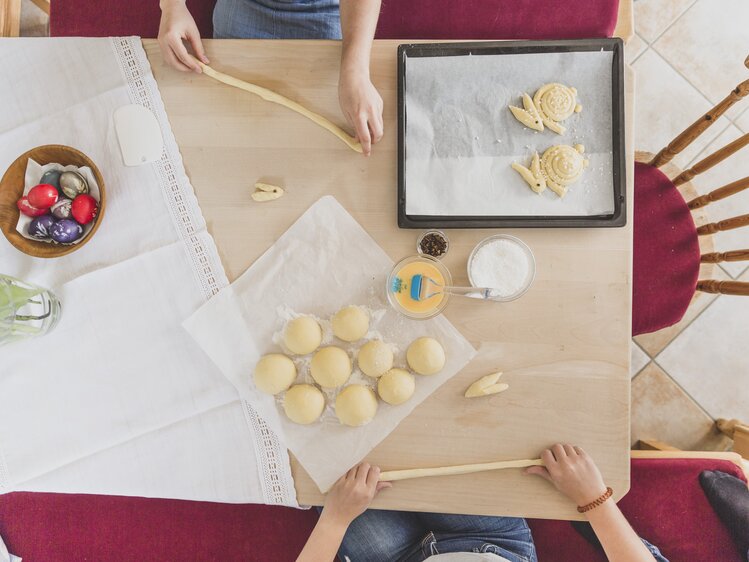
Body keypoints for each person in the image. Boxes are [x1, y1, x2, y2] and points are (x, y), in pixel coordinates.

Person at [297, 443, 668, 562]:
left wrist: (335, 520)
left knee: (322, 464)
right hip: (495, 546)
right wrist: (594, 500)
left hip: (396, 557)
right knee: (450, 435)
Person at [157, 0, 384, 156]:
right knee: (231, 138)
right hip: (244, 7)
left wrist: (356, 72)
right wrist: (171, 7)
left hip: (328, 9)